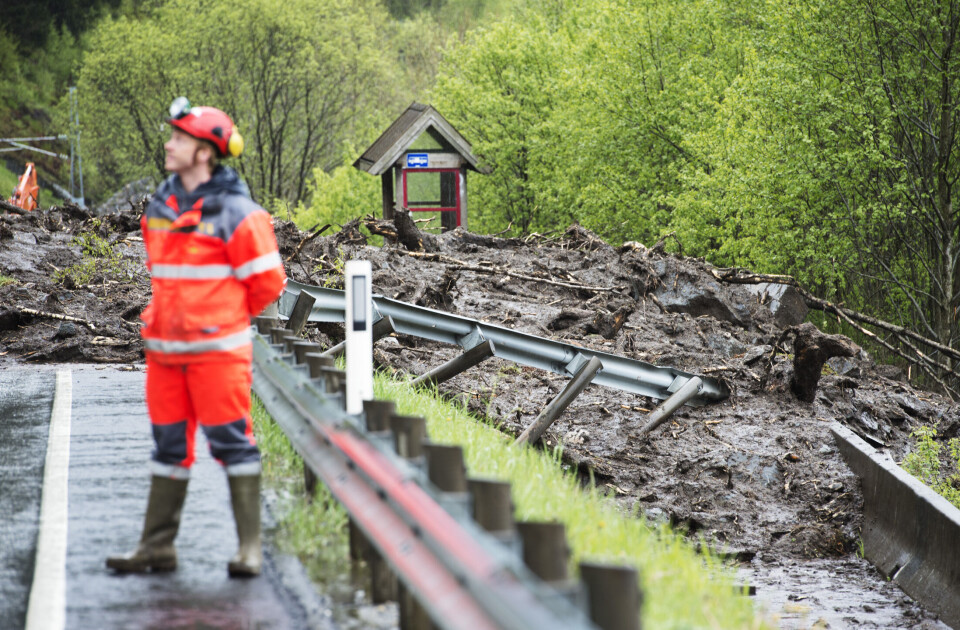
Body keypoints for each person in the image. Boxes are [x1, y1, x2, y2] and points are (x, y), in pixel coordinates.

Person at [106, 97, 286, 577]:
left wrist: (220, 319)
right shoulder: (160, 207)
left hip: (218, 355)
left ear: (205, 151)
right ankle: (156, 548)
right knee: (167, 448)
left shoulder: (239, 215)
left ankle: (249, 551)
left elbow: (268, 282)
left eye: (179, 139)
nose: (169, 144)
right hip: (165, 355)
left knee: (232, 443)